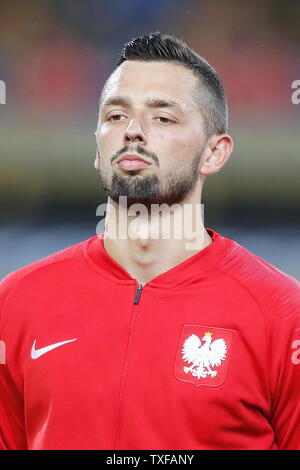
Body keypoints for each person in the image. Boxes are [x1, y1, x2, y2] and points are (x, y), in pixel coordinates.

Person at [0, 32, 299, 451]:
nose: (133, 132)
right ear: (97, 146)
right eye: (116, 116)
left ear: (214, 153)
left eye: (163, 117)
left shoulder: (283, 316)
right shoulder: (15, 302)